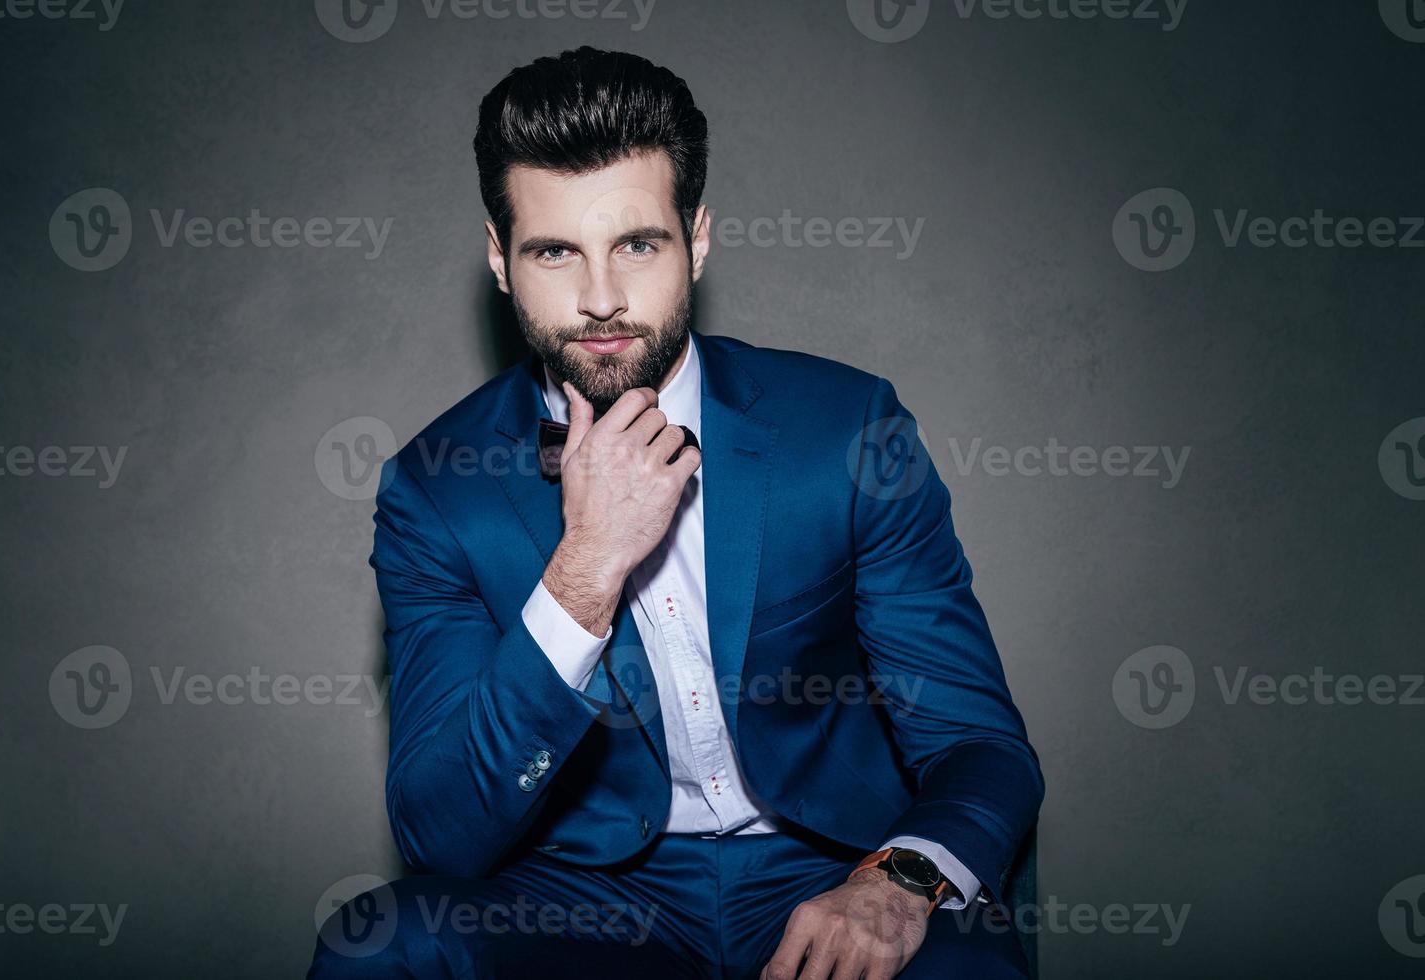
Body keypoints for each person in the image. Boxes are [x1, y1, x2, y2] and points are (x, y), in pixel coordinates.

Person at [310, 45, 1042, 979]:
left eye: (637, 245)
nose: (602, 298)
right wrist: (585, 567)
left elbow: (978, 745)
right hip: (589, 897)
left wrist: (893, 882)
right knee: (379, 952)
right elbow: (440, 829)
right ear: (500, 260)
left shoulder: (844, 431)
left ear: (696, 239)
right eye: (554, 251)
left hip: (832, 864)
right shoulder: (435, 491)